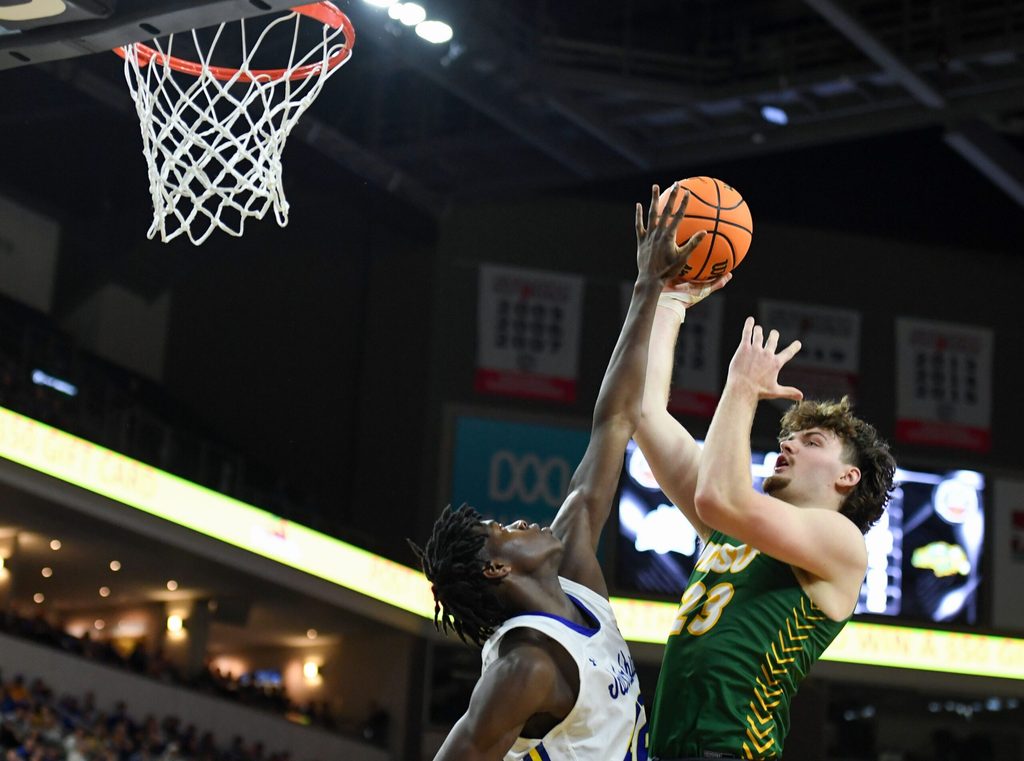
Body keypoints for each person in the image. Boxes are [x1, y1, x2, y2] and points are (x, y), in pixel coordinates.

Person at [410, 183, 726, 761]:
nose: (519, 522)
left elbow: (612, 422)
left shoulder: (579, 584)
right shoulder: (524, 665)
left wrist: (650, 289)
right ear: (499, 568)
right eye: (502, 529)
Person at [636, 298, 896, 759]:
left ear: (847, 477)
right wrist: (668, 301)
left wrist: (742, 387)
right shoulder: (735, 526)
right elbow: (643, 412)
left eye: (811, 441)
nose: (788, 443)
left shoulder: (842, 542)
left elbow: (719, 497)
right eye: (788, 437)